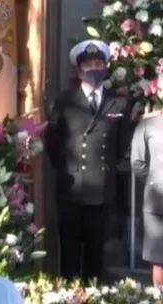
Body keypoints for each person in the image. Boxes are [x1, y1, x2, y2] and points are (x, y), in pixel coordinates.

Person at [44, 39, 132, 282]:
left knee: (96, 256)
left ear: (105, 67)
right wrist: (68, 169)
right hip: (71, 188)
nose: (93, 69)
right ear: (79, 69)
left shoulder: (119, 103)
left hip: (102, 190)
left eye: (98, 63)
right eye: (88, 64)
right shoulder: (65, 102)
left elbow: (122, 144)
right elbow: (52, 143)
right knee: (70, 255)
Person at [130, 76, 163, 286]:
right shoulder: (148, 124)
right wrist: (155, 181)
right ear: (159, 92)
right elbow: (138, 162)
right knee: (159, 259)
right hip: (157, 202)